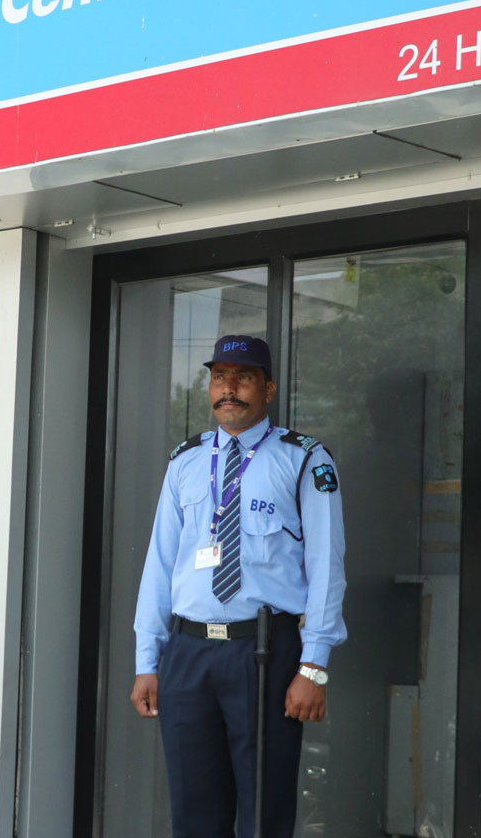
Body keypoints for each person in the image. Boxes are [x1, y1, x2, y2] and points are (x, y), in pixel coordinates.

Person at [130, 334, 347, 838]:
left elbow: (326, 568)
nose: (228, 389)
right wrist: (148, 659)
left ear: (268, 389)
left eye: (243, 377)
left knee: (262, 812)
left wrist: (313, 666)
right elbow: (160, 565)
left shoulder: (304, 461)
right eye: (219, 377)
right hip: (187, 654)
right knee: (192, 812)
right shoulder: (184, 461)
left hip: (264, 652)